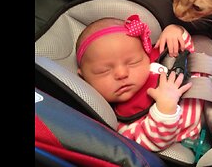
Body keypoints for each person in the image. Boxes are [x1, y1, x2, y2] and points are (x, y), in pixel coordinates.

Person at [76, 14, 204, 152]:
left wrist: (173, 31)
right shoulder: (121, 121)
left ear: (146, 54)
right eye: (103, 71)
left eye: (133, 62)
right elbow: (148, 141)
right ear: (83, 77)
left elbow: (185, 47)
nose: (122, 74)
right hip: (209, 125)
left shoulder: (160, 59)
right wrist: (165, 108)